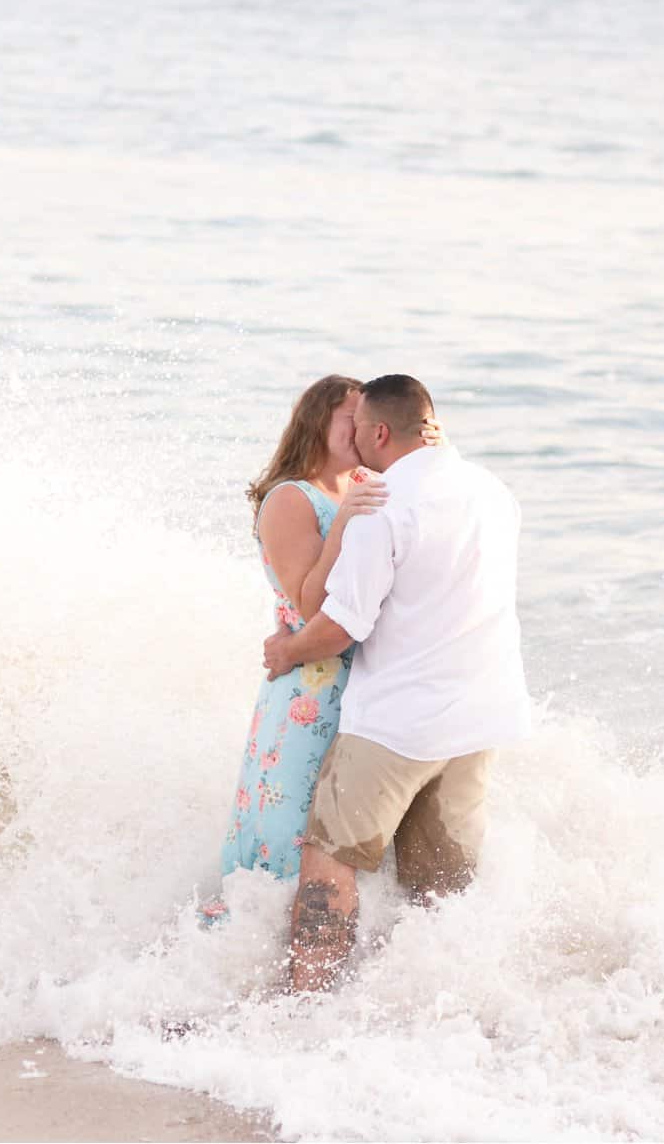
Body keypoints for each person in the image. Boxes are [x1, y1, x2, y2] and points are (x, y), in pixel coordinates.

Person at [262, 374, 532, 990]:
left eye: (360, 429)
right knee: (441, 886)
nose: (354, 441)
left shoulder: (384, 505)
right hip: (480, 716)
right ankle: (434, 1008)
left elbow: (338, 629)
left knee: (329, 860)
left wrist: (287, 651)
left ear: (379, 432)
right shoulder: (494, 491)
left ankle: (304, 1003)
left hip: (398, 721)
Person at [199, 374, 440, 924]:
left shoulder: (365, 481)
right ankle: (252, 957)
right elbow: (309, 608)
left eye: (364, 419)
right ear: (318, 421)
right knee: (293, 831)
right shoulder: (291, 498)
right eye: (347, 417)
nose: (359, 429)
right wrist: (345, 522)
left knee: (349, 838)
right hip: (311, 683)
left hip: (367, 683)